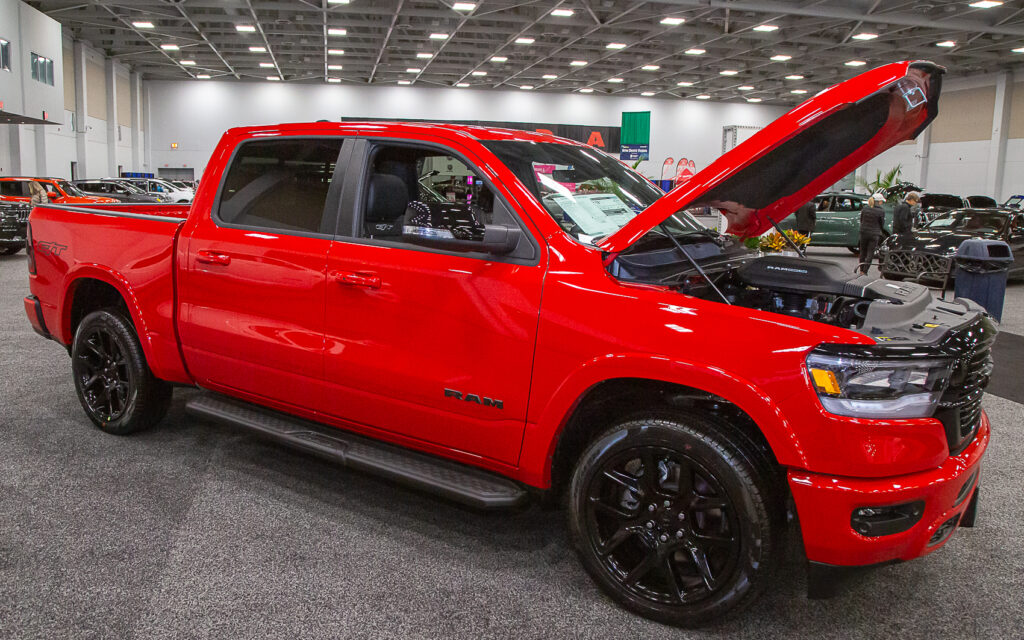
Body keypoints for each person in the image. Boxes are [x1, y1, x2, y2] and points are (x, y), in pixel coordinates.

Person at [858, 193, 886, 275]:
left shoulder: (865, 208)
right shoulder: (881, 211)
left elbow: (861, 219)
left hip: (864, 232)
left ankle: (861, 269)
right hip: (874, 233)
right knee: (870, 253)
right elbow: (881, 223)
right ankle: (865, 271)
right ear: (879, 201)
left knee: (862, 251)